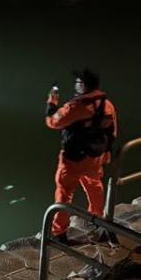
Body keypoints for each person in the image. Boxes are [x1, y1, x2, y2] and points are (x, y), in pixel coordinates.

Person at [44, 68, 118, 244]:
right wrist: (106, 153)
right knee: (94, 185)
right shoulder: (107, 105)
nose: (75, 86)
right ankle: (96, 218)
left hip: (74, 159)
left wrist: (52, 102)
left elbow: (53, 121)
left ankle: (59, 232)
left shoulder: (76, 106)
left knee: (64, 192)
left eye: (78, 83)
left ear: (83, 86)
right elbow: (112, 132)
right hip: (95, 157)